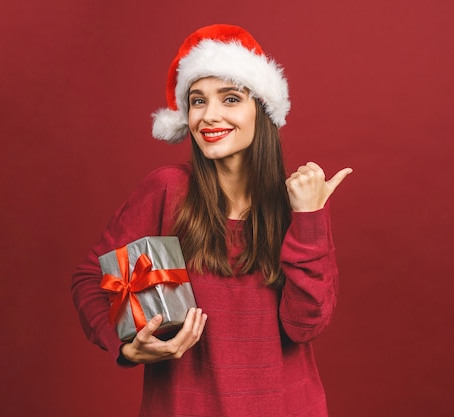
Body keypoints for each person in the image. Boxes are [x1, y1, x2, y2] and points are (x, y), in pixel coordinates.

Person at [71, 23, 352, 417]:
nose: (209, 116)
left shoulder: (296, 203)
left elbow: (303, 327)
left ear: (263, 109)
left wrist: (309, 218)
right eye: (197, 101)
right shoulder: (167, 191)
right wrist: (128, 346)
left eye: (231, 98)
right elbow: (91, 279)